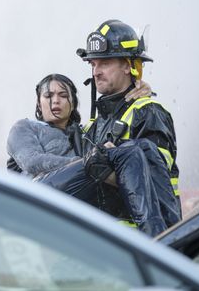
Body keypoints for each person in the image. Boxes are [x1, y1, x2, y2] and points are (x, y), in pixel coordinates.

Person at [7, 73, 179, 236]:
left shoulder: (85, 134)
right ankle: (154, 234)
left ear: (73, 103)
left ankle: (172, 231)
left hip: (69, 202)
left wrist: (140, 90)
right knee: (123, 153)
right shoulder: (24, 127)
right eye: (48, 95)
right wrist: (88, 161)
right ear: (38, 103)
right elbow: (32, 162)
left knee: (143, 147)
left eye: (63, 95)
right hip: (36, 197)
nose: (56, 101)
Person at [75, 19, 181, 229]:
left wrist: (106, 172)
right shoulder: (92, 126)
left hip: (140, 243)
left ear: (128, 66)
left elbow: (154, 182)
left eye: (104, 63)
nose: (96, 71)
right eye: (93, 64)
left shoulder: (148, 113)